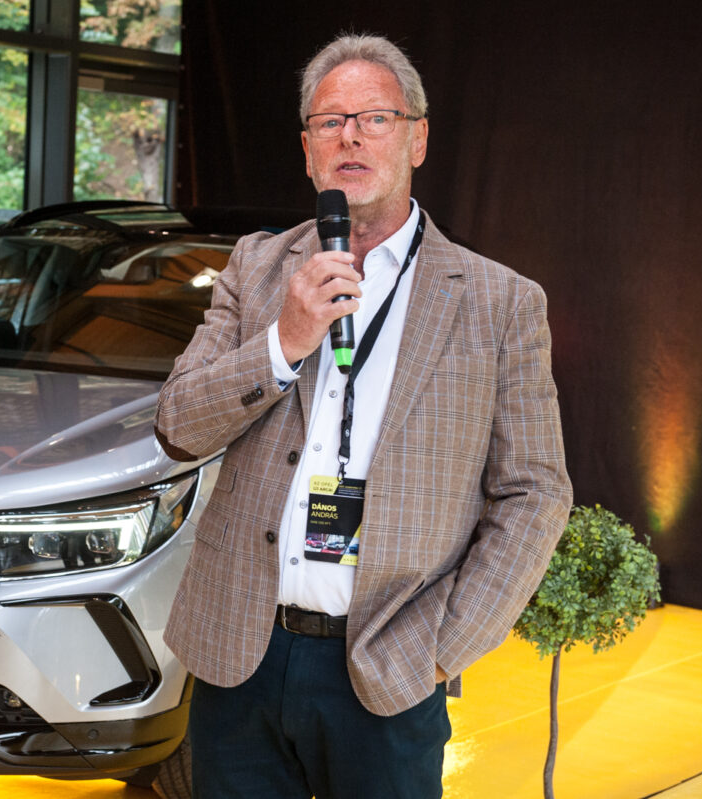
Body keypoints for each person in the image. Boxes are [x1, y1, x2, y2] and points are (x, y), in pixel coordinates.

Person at [154, 32, 573, 799]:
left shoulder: (500, 302)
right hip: (238, 657)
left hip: (387, 669)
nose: (350, 136)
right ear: (308, 151)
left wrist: (444, 644)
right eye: (330, 121)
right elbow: (179, 425)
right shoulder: (256, 268)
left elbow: (535, 491)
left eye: (374, 118)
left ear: (417, 139)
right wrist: (284, 341)